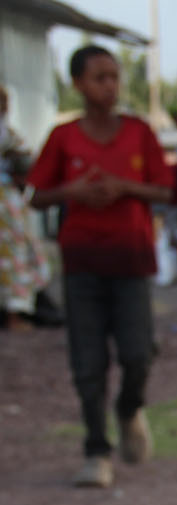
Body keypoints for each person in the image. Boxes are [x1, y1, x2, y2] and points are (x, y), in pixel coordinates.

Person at [26, 45, 173, 488]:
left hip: (131, 259)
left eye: (114, 77)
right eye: (99, 78)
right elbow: (35, 194)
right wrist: (72, 191)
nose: (110, 86)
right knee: (87, 362)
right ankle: (96, 451)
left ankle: (129, 408)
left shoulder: (139, 133)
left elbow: (165, 190)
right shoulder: (64, 137)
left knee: (138, 352)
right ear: (78, 84)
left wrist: (124, 187)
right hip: (82, 262)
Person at [1, 85, 55, 331]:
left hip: (9, 205)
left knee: (15, 257)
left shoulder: (9, 135)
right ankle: (14, 314)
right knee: (14, 256)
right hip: (6, 208)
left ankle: (15, 312)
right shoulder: (7, 135)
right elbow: (25, 161)